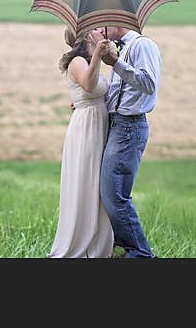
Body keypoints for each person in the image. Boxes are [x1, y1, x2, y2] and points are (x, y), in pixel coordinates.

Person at [47, 27, 116, 258]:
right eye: (96, 29)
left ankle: (99, 244)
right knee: (87, 181)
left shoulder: (89, 61)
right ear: (87, 36)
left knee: (99, 184)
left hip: (98, 123)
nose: (101, 31)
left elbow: (97, 90)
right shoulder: (78, 61)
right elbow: (88, 85)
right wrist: (98, 54)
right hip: (86, 127)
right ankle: (82, 243)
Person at [98, 25, 161, 259]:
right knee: (108, 191)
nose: (101, 31)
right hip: (117, 124)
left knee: (114, 193)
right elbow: (118, 93)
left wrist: (116, 63)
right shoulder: (120, 50)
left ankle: (140, 253)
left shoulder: (142, 45)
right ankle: (121, 248)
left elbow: (149, 84)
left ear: (118, 21)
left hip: (129, 126)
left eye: (104, 24)